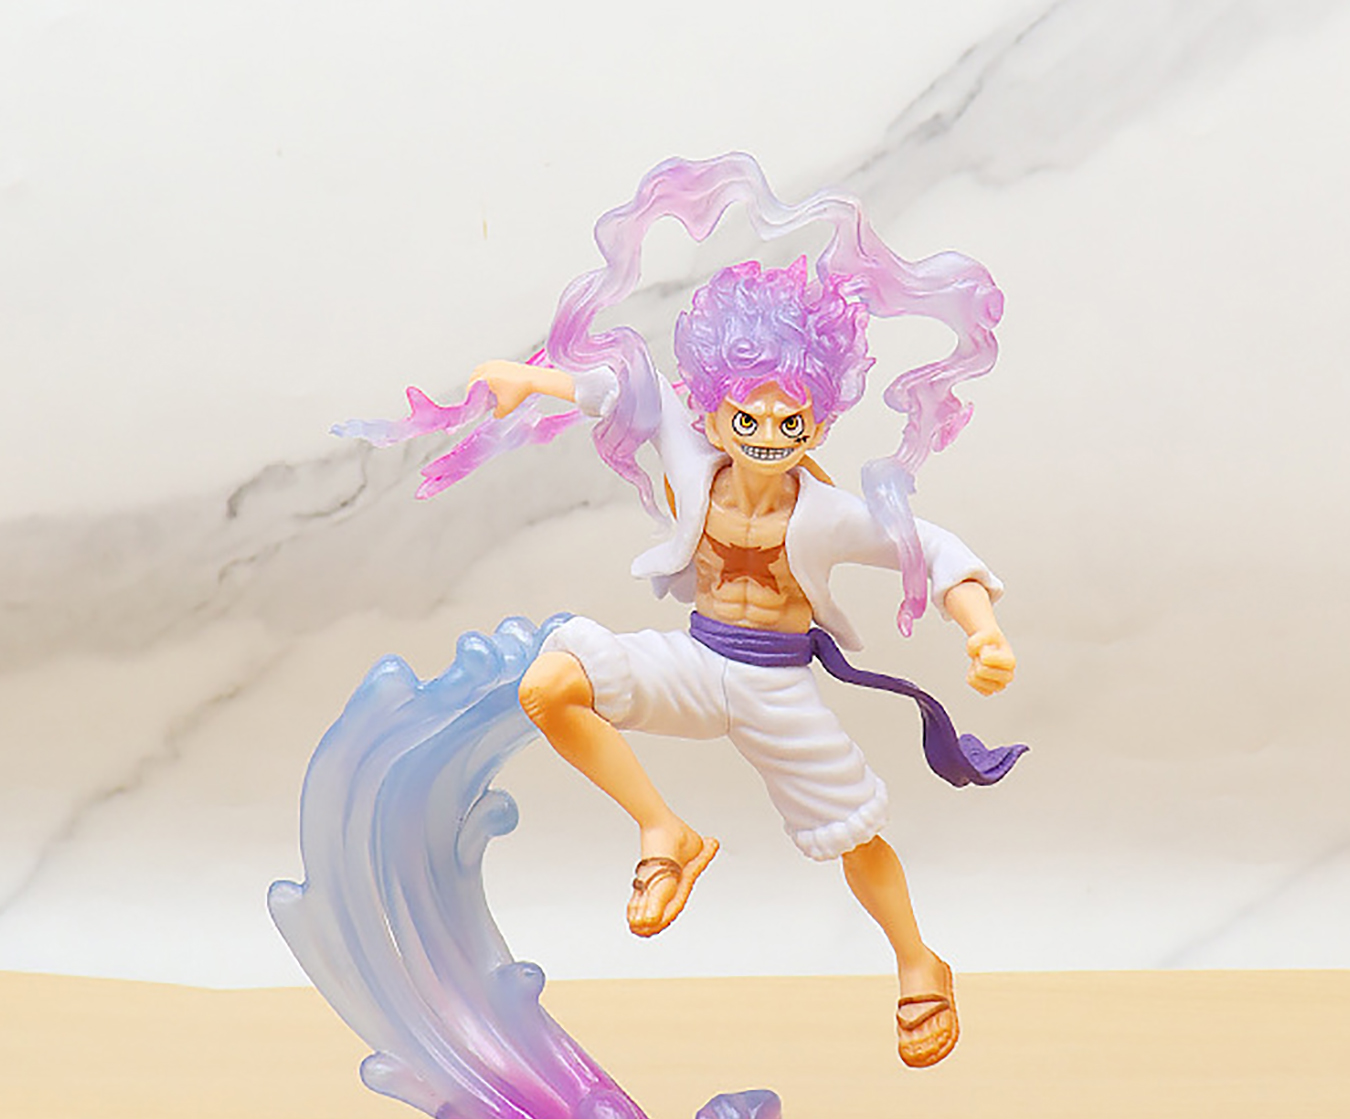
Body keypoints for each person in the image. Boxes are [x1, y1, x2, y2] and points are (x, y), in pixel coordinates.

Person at [340, 155, 1023, 1068]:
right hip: (698, 663)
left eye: (792, 424)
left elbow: (931, 547)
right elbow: (616, 389)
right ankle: (665, 831)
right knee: (552, 686)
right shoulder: (691, 456)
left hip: (777, 688)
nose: (769, 437)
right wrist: (523, 379)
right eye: (750, 418)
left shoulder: (829, 514)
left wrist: (982, 627)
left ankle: (918, 962)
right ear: (716, 407)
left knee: (856, 835)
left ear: (821, 421)